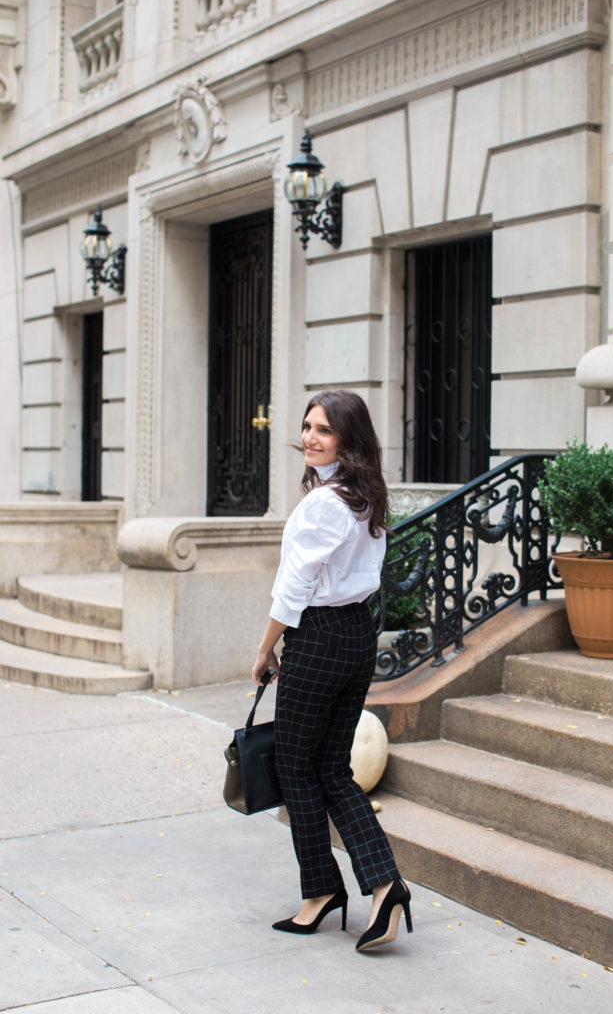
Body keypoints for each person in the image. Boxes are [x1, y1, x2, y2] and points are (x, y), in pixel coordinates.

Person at [251, 388, 412, 952]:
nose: (309, 437)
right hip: (355, 634)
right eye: (307, 426)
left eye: (323, 429)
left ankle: (326, 891)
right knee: (331, 768)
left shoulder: (323, 503)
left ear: (348, 438)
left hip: (318, 636)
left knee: (297, 766)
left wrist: (266, 648)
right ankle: (378, 885)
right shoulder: (364, 496)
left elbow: (293, 587)